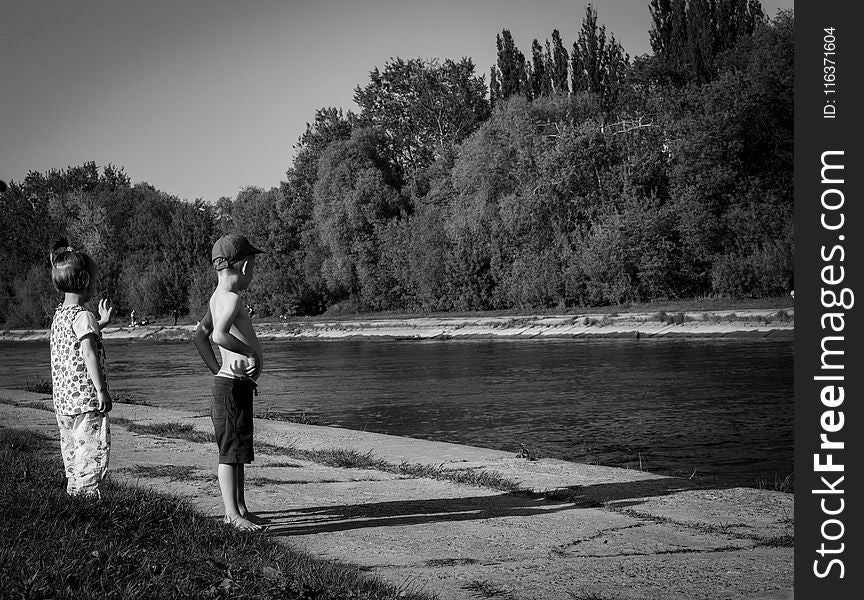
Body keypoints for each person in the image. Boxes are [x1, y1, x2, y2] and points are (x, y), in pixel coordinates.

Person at [192, 233, 265, 531]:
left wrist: (218, 369)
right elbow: (218, 335)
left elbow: (199, 335)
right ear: (245, 266)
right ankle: (230, 514)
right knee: (230, 453)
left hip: (232, 385)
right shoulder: (232, 298)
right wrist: (250, 354)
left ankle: (240, 508)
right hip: (231, 387)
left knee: (238, 451)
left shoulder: (216, 296)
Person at [49, 238, 114, 498]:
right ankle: (87, 500)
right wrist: (101, 391)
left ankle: (74, 493)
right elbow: (88, 353)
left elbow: (80, 339)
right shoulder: (83, 315)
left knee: (73, 449)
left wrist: (103, 324)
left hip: (64, 401)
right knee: (91, 449)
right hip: (86, 398)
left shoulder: (60, 315)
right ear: (86, 280)